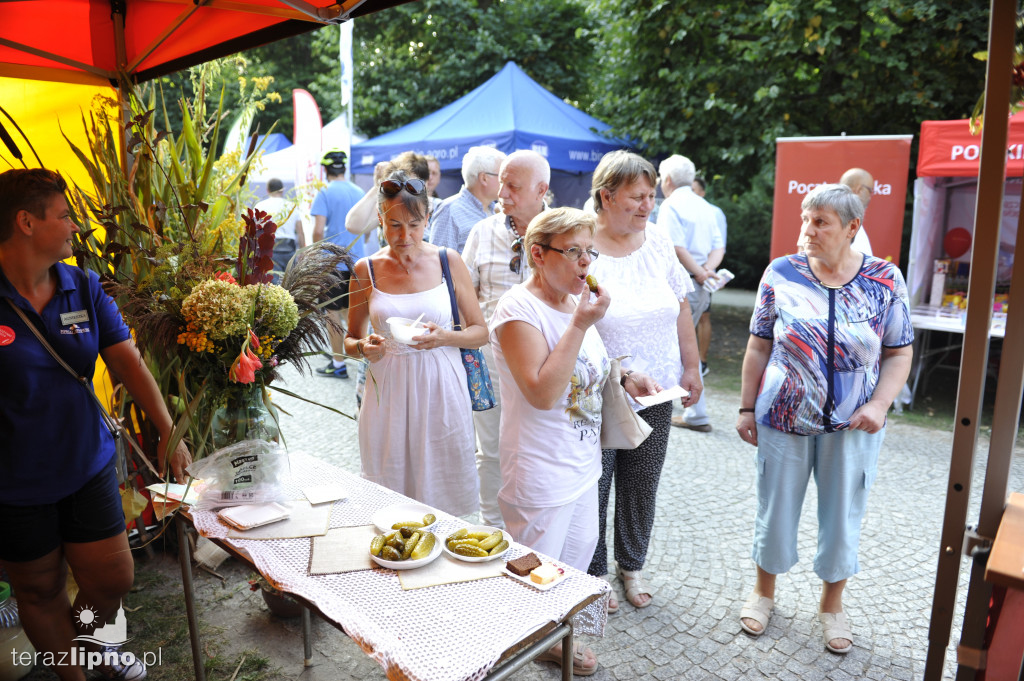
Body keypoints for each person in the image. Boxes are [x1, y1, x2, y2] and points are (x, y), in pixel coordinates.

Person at [0, 168, 192, 681]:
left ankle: (85, 644)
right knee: (38, 590)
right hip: (14, 484)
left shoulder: (80, 284)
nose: (73, 227)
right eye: (63, 216)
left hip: (86, 463)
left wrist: (169, 431)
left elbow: (129, 363)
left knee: (112, 579)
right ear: (25, 222)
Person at [735, 184, 913, 654]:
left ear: (852, 228)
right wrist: (746, 407)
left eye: (820, 223)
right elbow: (758, 346)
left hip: (852, 424)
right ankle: (763, 593)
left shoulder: (884, 279)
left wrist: (878, 405)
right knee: (774, 511)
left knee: (842, 517)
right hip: (783, 417)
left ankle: (832, 605)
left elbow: (899, 352)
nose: (807, 231)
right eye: (805, 219)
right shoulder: (781, 273)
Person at [490, 206, 657, 677]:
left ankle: (550, 639)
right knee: (530, 572)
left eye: (590, 252)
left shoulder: (573, 303)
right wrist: (582, 324)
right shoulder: (517, 309)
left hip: (584, 462)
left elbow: (589, 369)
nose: (585, 263)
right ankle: (510, 644)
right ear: (538, 254)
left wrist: (626, 376)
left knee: (574, 563)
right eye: (573, 252)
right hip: (539, 468)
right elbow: (542, 392)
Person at [585, 151, 703, 612]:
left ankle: (631, 567)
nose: (646, 205)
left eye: (651, 195)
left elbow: (682, 307)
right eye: (636, 197)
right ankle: (593, 575)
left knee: (642, 484)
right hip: (598, 392)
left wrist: (691, 367)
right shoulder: (581, 245)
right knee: (594, 485)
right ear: (605, 196)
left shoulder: (657, 241)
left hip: (658, 390)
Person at [344, 170, 485, 517]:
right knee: (390, 496)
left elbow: (480, 331)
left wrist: (444, 338)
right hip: (387, 392)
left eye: (415, 224)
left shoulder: (448, 262)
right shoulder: (366, 269)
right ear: (380, 220)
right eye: (394, 225)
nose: (405, 236)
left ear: (427, 219)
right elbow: (348, 340)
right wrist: (364, 347)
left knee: (443, 493)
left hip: (442, 388)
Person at [461, 149, 549, 528]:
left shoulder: (565, 232)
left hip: (547, 363)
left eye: (513, 186)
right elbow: (465, 297)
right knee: (491, 450)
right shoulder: (482, 232)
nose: (503, 194)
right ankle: (491, 529)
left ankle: (535, 525)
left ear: (541, 189)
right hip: (490, 362)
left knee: (541, 446)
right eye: (501, 184)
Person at [657, 154, 723, 433]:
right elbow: (719, 247)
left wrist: (697, 271)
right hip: (701, 283)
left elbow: (673, 247)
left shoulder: (671, 205)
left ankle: (690, 410)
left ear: (667, 180)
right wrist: (706, 270)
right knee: (688, 344)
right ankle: (695, 410)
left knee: (679, 345)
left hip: (680, 283)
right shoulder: (706, 206)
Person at [311, 149, 365, 379]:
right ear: (343, 168)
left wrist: (315, 256)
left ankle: (338, 363)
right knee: (349, 312)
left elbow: (318, 231)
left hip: (332, 265)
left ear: (325, 170)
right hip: (357, 263)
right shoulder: (360, 191)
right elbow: (367, 229)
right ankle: (356, 359)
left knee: (331, 314)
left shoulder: (323, 192)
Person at [427, 146, 506, 253]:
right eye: (501, 175)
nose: (505, 181)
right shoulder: (450, 211)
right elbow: (439, 262)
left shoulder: (495, 209)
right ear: (484, 178)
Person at [691, 175, 728, 376]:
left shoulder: (713, 212)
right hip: (687, 273)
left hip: (705, 271)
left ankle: (702, 360)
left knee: (704, 315)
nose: (691, 194)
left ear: (703, 192)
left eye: (695, 190)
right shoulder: (678, 210)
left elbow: (719, 245)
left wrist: (706, 269)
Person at [254, 178, 305, 282]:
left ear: (267, 190)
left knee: (273, 285)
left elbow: (254, 231)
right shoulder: (292, 206)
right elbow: (300, 232)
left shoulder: (260, 206)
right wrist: (302, 252)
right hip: (289, 250)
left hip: (270, 250)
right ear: (282, 190)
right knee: (289, 284)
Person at [838, 167, 874, 256]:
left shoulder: (850, 218)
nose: (870, 197)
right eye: (870, 191)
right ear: (859, 190)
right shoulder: (836, 219)